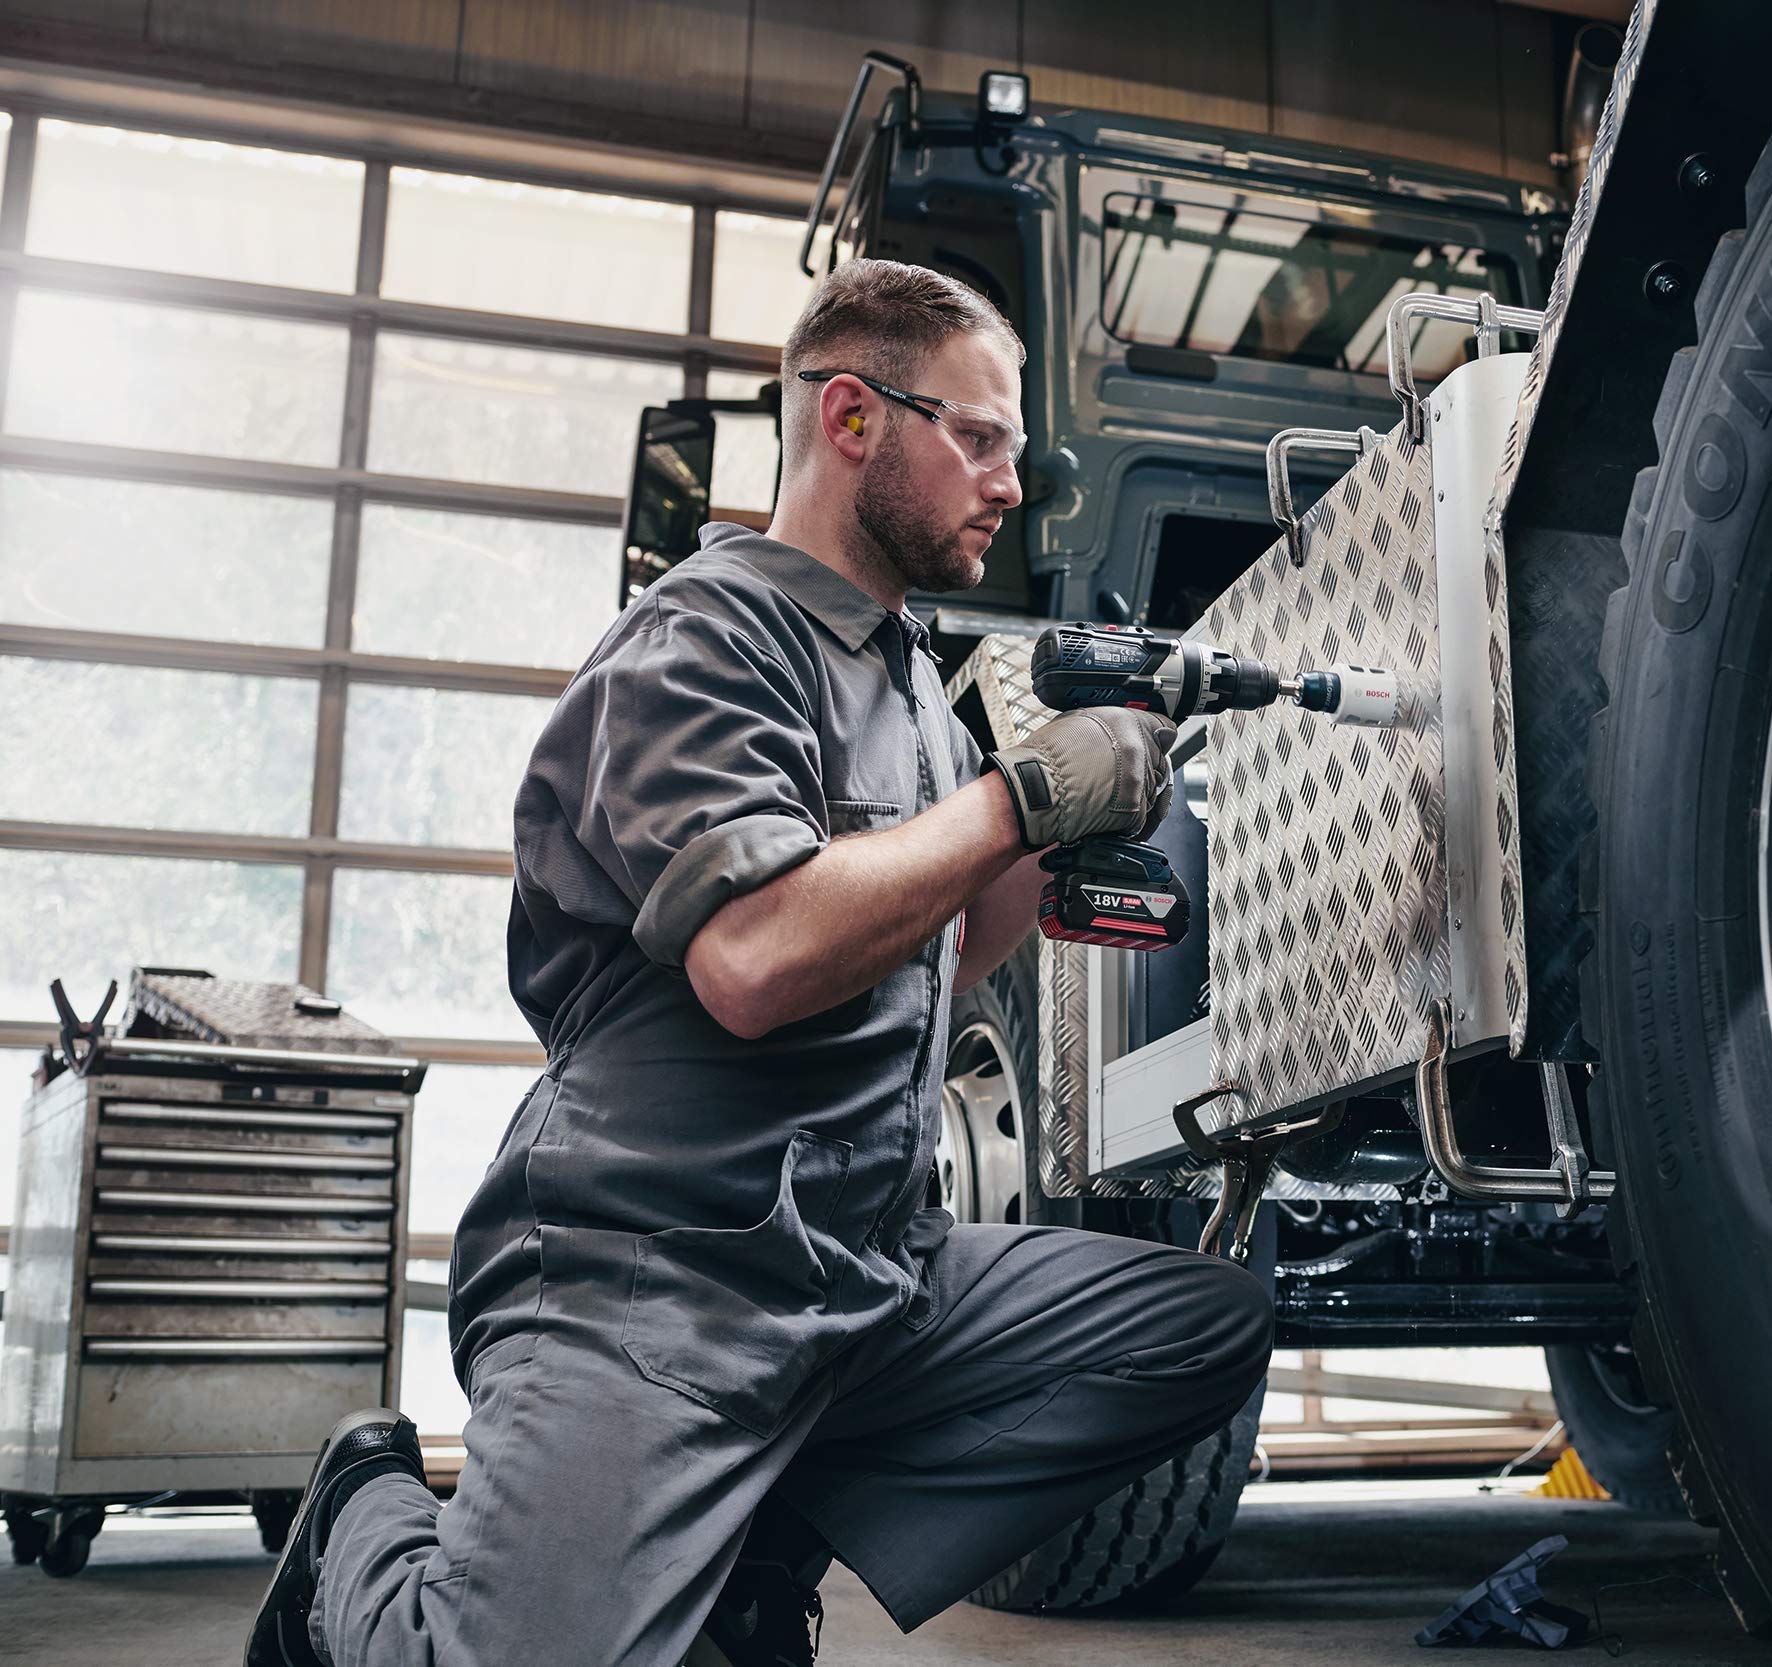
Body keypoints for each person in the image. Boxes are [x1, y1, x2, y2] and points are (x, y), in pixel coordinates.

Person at [247, 259, 1275, 1667]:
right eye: (979, 439)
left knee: (1197, 1329)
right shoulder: (706, 637)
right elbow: (756, 953)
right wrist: (1020, 801)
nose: (1011, 485)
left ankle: (750, 1548)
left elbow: (954, 950)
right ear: (853, 419)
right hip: (654, 1273)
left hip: (860, 1279)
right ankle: (355, 1534)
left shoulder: (912, 679)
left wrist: (1075, 806)